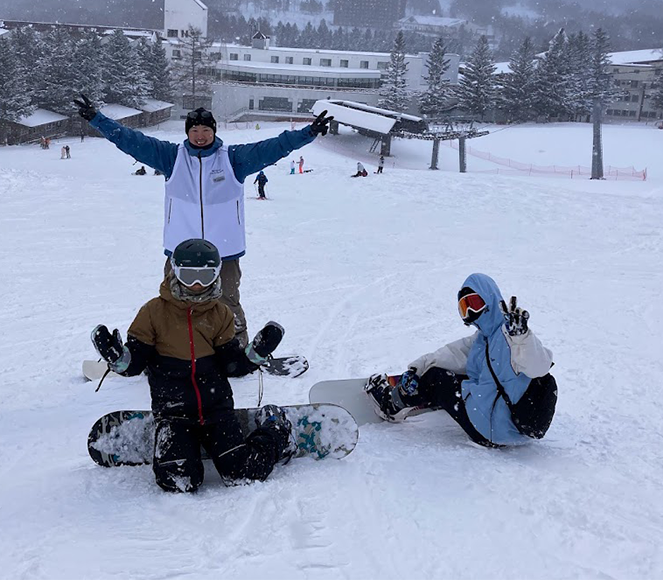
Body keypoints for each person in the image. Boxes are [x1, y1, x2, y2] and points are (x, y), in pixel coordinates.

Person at [74, 94, 332, 347]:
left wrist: (307, 133)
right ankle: (167, 349)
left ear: (214, 131)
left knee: (227, 301)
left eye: (205, 129)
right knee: (171, 302)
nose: (200, 135)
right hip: (181, 249)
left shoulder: (233, 159)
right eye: (195, 129)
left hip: (224, 250)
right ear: (187, 132)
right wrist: (98, 119)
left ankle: (237, 349)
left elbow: (273, 147)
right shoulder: (171, 157)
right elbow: (131, 140)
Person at [90, 239, 296, 492]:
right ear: (175, 271)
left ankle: (276, 429)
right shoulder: (153, 312)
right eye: (188, 276)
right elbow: (134, 363)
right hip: (173, 411)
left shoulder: (220, 314)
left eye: (205, 276)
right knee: (178, 482)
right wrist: (118, 358)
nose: (197, 285)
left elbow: (232, 366)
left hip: (216, 409)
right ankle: (174, 448)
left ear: (217, 274)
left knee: (242, 473)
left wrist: (257, 352)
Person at [366, 273, 557, 447]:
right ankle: (436, 395)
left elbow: (538, 366)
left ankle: (392, 405)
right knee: (462, 368)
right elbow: (453, 354)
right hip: (512, 429)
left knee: (437, 378)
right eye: (465, 308)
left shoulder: (513, 336)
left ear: (491, 299)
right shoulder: (484, 338)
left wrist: (523, 337)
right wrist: (417, 368)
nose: (470, 313)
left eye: (475, 303)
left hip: (489, 430)